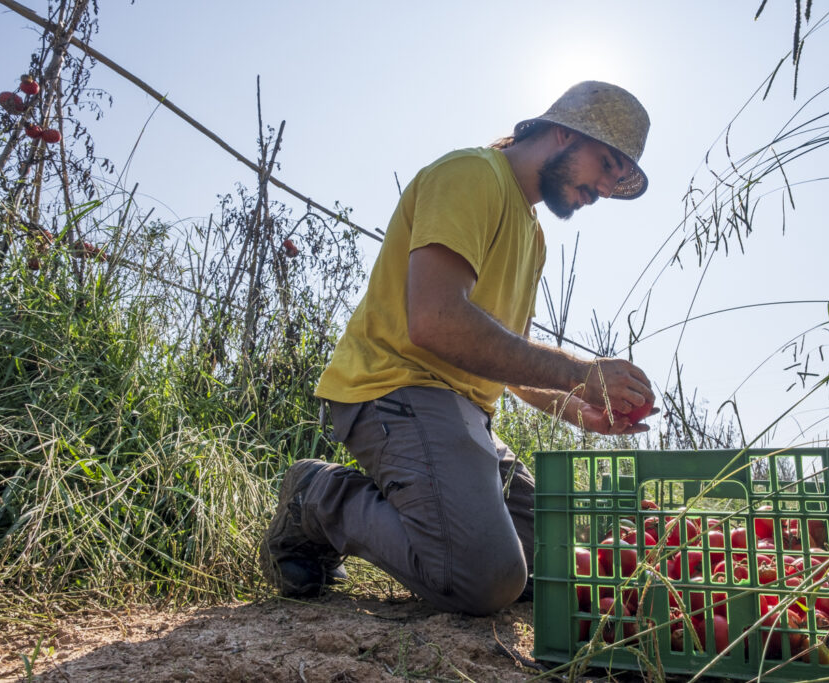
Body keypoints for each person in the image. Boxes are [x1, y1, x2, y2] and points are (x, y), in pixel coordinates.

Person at [260, 81, 658, 616]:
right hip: (395, 391)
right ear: (565, 132)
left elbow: (504, 356)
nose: (606, 188)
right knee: (487, 578)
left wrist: (578, 410)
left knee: (555, 564)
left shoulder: (532, 232)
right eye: (606, 164)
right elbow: (437, 322)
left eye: (618, 176)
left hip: (464, 419)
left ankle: (444, 505)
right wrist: (579, 370)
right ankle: (319, 496)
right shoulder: (472, 176)